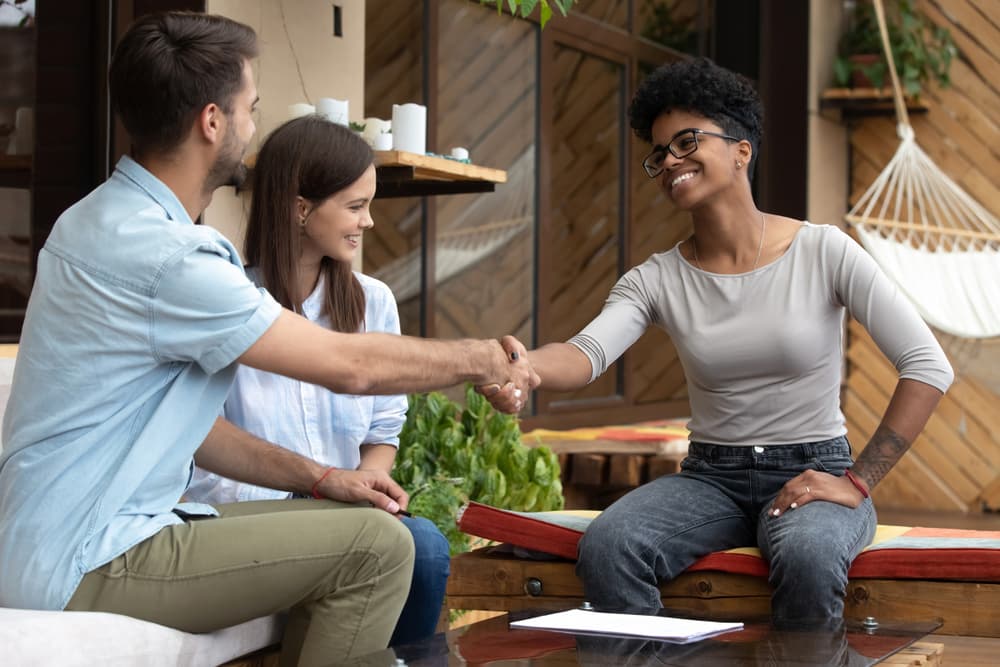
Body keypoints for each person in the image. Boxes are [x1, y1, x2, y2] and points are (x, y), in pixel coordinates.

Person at [0, 11, 535, 665]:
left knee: (373, 531)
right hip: (89, 555)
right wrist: (480, 356)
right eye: (251, 107)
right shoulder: (167, 254)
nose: (254, 125)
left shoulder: (95, 220)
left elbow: (197, 432)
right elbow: (347, 365)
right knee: (379, 548)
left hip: (60, 541)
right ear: (212, 121)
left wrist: (322, 476)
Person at [485, 57, 953, 622]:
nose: (670, 162)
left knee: (808, 555)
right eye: (659, 154)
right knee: (610, 546)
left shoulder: (824, 251)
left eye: (686, 141)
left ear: (741, 149)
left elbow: (928, 366)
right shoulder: (656, 278)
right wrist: (523, 365)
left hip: (815, 469)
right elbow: (586, 355)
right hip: (712, 479)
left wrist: (857, 481)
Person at [186, 115, 450, 646]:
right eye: (356, 207)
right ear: (301, 208)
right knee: (415, 546)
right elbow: (202, 445)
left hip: (343, 510)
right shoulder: (228, 299)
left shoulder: (373, 301)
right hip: (248, 518)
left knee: (423, 546)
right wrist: (315, 494)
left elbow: (383, 428)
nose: (369, 223)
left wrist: (366, 495)